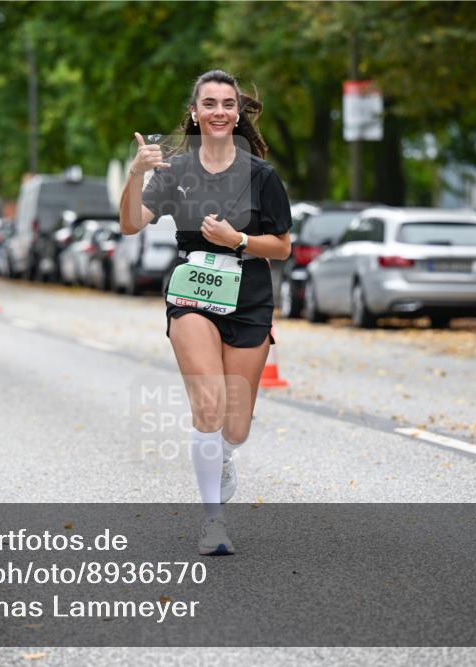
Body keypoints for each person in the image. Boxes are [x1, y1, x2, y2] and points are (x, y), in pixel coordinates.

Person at [119, 69, 292, 556]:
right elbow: (131, 223)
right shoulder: (175, 171)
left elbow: (281, 247)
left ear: (238, 113)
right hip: (192, 294)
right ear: (194, 113)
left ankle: (225, 455)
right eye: (209, 103)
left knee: (235, 425)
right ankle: (213, 521)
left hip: (249, 298)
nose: (219, 112)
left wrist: (236, 240)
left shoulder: (262, 176)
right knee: (209, 408)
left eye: (228, 104)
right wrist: (137, 173)